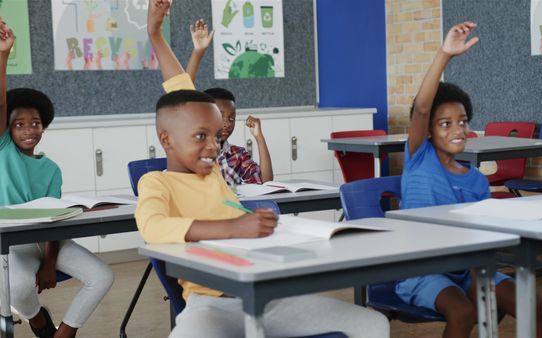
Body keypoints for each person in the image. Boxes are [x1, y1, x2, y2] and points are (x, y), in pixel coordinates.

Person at [138, 1, 389, 337]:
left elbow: (183, 91)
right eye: (201, 136)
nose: (214, 145)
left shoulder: (214, 175)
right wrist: (154, 33)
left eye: (217, 135)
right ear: (166, 140)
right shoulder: (156, 182)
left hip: (270, 297)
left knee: (372, 324)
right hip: (211, 304)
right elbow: (154, 227)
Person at [396, 21, 542, 338]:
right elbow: (422, 107)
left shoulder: (478, 181)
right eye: (445, 123)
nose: (457, 130)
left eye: (462, 122)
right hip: (420, 270)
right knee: (462, 313)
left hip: (467, 270)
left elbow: (484, 241)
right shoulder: (419, 157)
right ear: (428, 130)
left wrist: (483, 278)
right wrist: (445, 54)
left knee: (532, 303)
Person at [0, 20, 113, 338]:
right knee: (18, 288)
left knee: (101, 276)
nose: (28, 129)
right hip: (11, 246)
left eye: (34, 123)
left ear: (43, 127)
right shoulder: (3, 150)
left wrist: (50, 262)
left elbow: (54, 221)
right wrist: (4, 56)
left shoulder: (52, 169)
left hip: (49, 243)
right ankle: (37, 320)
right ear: (7, 130)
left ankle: (64, 333)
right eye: (18, 124)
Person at [188, 19, 273, 185]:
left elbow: (266, 181)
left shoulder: (236, 155)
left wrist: (259, 137)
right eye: (221, 116)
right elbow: (183, 93)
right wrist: (198, 52)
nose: (227, 123)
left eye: (232, 118)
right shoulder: (192, 149)